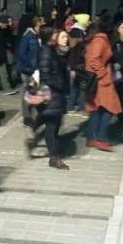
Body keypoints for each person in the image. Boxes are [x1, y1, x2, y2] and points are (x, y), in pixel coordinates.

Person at [84, 16, 123, 152]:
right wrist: (103, 74)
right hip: (101, 80)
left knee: (97, 109)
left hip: (96, 79)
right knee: (109, 108)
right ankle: (100, 138)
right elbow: (94, 60)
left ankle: (92, 137)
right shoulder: (100, 39)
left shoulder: (95, 38)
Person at [38, 27, 71, 169]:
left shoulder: (53, 51)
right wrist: (60, 85)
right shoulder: (46, 51)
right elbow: (45, 75)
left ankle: (54, 152)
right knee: (51, 126)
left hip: (57, 94)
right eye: (56, 35)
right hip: (51, 94)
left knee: (56, 124)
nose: (58, 37)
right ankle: (54, 157)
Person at [16, 15, 43, 129]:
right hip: (28, 70)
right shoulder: (28, 36)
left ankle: (32, 116)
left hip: (34, 69)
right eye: (42, 22)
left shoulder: (36, 36)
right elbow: (22, 54)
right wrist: (31, 68)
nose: (43, 25)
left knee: (33, 91)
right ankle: (27, 118)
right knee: (28, 92)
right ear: (37, 24)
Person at [67, 13, 90, 111]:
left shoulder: (80, 31)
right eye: (88, 20)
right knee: (79, 85)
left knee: (77, 85)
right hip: (77, 63)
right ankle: (77, 105)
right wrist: (72, 68)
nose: (89, 22)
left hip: (78, 63)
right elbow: (73, 51)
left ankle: (74, 105)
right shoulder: (76, 32)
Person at [0, 14, 17, 94]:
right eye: (6, 24)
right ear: (1, 23)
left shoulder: (1, 30)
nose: (7, 26)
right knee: (2, 72)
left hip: (0, 54)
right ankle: (6, 88)